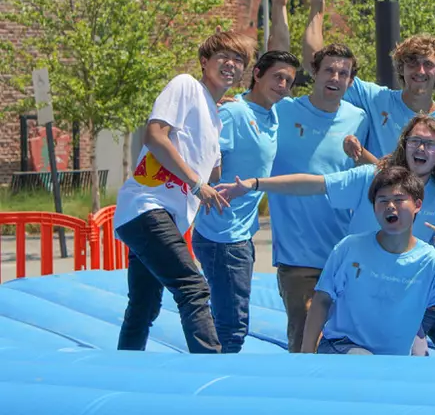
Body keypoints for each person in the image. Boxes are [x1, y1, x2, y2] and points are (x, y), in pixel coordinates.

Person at [219, 115, 435, 354]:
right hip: (355, 295)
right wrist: (255, 185)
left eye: (429, 143)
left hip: (397, 300)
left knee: (414, 357)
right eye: (415, 141)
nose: (421, 148)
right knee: (345, 349)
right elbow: (314, 184)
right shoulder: (371, 182)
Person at [114, 30, 254, 353]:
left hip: (164, 219)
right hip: (146, 208)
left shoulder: (216, 117)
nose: (231, 65)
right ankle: (210, 369)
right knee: (193, 287)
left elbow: (214, 169)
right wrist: (196, 184)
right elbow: (154, 136)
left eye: (238, 61)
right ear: (204, 62)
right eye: (224, 58)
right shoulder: (186, 86)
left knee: (144, 306)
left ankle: (123, 370)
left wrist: (221, 110)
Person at [302, 166, 435, 355]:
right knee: (362, 360)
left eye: (398, 199)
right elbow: (322, 299)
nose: (390, 206)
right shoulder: (349, 247)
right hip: (340, 346)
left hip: (391, 363)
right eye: (383, 200)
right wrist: (306, 352)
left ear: (417, 205)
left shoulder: (432, 262)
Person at [191, 49, 299, 353]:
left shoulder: (274, 114)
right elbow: (203, 157)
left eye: (288, 81)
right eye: (277, 77)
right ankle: (215, 386)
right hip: (222, 236)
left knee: (229, 321)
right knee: (232, 326)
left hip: (241, 233)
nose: (282, 85)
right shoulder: (234, 112)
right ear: (257, 74)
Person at [266, 42, 367, 353]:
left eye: (343, 73)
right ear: (314, 73)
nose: (335, 78)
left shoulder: (359, 119)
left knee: (345, 338)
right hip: (297, 255)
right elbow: (252, 105)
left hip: (343, 252)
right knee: (305, 337)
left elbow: (374, 175)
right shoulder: (282, 111)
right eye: (329, 70)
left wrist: (362, 155)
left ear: (351, 81)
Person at [297, 0, 435, 159]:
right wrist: (317, 6)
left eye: (428, 64)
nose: (420, 71)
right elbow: (314, 62)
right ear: (401, 68)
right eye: (412, 62)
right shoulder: (374, 99)